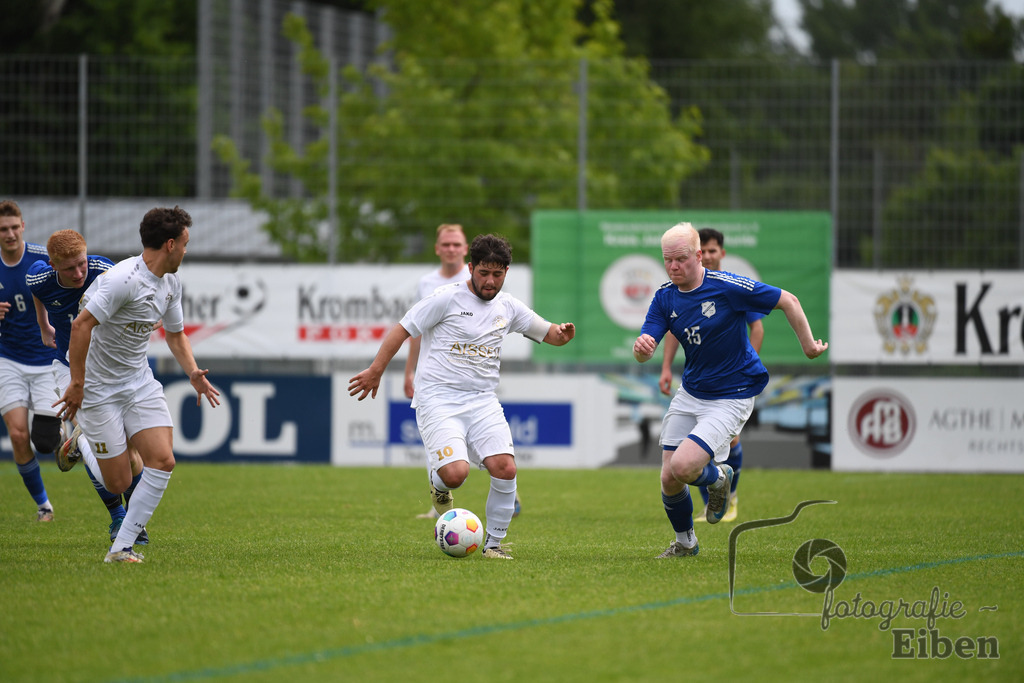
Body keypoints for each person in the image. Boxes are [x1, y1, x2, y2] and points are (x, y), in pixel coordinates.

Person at [349, 234, 575, 560]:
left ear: (506, 273)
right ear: (471, 268)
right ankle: (438, 483)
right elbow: (403, 328)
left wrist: (563, 334)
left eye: (498, 274)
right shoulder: (446, 298)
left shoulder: (508, 306)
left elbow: (549, 333)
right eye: (484, 272)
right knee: (455, 475)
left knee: (505, 468)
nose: (490, 280)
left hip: (482, 400)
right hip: (438, 398)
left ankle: (494, 545)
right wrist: (376, 370)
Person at [633, 222, 826, 558]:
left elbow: (789, 301)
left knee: (683, 467)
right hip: (691, 392)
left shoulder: (728, 287)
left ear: (699, 256)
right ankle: (685, 544)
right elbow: (646, 343)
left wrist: (809, 346)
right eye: (667, 260)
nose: (673, 266)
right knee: (669, 478)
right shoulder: (665, 296)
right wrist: (643, 350)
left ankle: (718, 478)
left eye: (680, 259)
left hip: (732, 394)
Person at [54, 206, 220, 563]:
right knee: (118, 483)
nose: (187, 252)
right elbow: (81, 326)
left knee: (163, 460)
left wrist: (192, 373)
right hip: (98, 388)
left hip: (138, 381)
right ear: (171, 244)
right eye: (186, 244)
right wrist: (78, 383)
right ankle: (82, 441)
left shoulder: (170, 283)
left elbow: (176, 336)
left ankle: (121, 548)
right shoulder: (122, 280)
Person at [27, 229, 148, 545]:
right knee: (98, 443)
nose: (79, 273)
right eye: (69, 269)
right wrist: (44, 327)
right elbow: (37, 294)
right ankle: (118, 518)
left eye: (81, 264)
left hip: (107, 369)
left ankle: (134, 519)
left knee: (130, 451)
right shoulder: (39, 279)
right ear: (53, 265)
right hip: (67, 368)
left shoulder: (104, 271)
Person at [405, 224, 522, 520]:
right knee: (449, 455)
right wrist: (411, 372)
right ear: (437, 248)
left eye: (456, 244)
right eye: (446, 244)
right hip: (439, 386)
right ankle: (439, 498)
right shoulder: (431, 285)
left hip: (477, 385)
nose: (451, 249)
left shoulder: (486, 277)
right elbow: (417, 329)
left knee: (501, 461)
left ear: (464, 251)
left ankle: (504, 505)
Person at [658, 228, 764, 523]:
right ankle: (712, 500)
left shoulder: (733, 287)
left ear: (718, 254)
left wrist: (746, 368)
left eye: (714, 249)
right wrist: (666, 366)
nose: (710, 254)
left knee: (727, 442)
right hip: (698, 382)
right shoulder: (678, 291)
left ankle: (730, 499)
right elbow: (672, 331)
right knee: (684, 456)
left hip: (732, 384)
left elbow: (757, 327)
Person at [0, 199, 61, 522]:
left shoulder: (43, 258)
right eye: (3, 230)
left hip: (47, 359)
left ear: (22, 226)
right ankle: (43, 505)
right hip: (7, 358)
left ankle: (65, 431)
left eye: (14, 227)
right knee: (18, 434)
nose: (9, 234)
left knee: (46, 442)